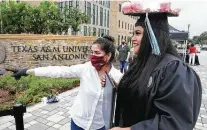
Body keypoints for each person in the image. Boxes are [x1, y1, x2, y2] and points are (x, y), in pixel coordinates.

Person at [7, 35, 123, 130]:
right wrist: (27, 71)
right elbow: (59, 71)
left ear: (107, 56)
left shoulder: (117, 76)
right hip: (78, 123)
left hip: (99, 126)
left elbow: (130, 99)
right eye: (92, 52)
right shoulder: (85, 69)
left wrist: (116, 86)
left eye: (97, 53)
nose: (92, 56)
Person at [110, 12, 202, 130]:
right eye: (133, 34)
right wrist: (123, 87)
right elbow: (143, 94)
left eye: (138, 33)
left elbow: (174, 123)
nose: (133, 38)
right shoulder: (140, 63)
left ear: (153, 35)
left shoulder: (174, 69)